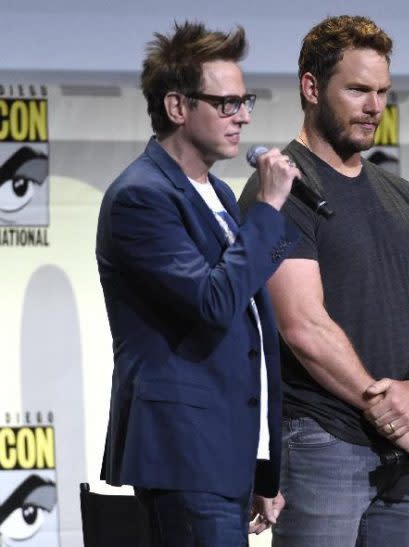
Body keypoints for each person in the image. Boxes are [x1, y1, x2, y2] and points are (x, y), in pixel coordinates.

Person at [238, 15, 409, 547]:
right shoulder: (281, 186)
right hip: (321, 441)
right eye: (357, 89)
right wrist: (393, 413)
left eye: (381, 91)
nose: (374, 105)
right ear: (311, 87)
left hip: (405, 452)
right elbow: (302, 325)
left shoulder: (401, 194)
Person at [96, 21, 300, 546]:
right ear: (177, 107)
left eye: (245, 101)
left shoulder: (220, 196)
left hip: (224, 455)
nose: (245, 117)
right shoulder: (141, 197)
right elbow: (214, 302)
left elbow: (250, 306)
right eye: (227, 104)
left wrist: (257, 466)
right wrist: (270, 207)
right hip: (184, 454)